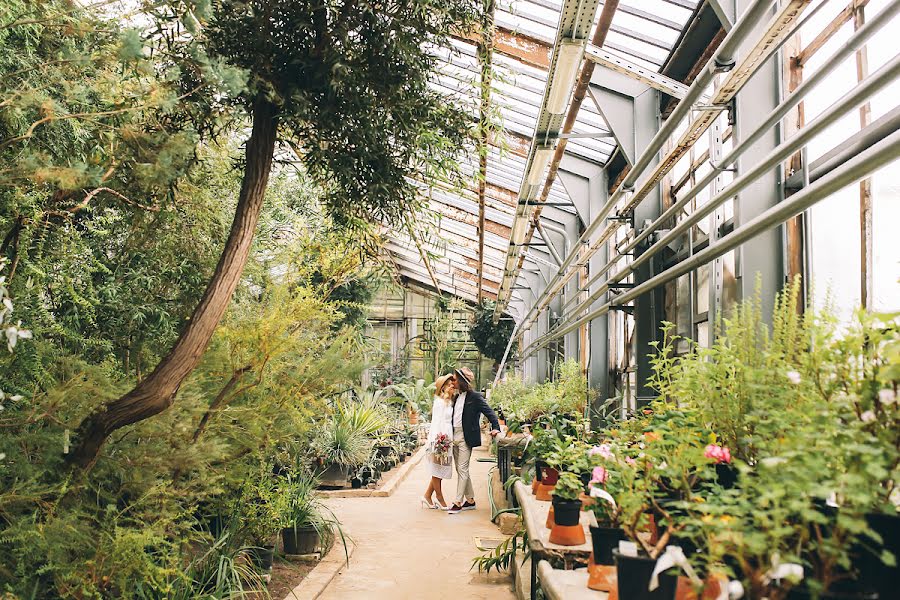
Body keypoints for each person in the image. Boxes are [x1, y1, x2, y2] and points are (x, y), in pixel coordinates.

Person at [447, 367, 501, 515]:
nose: (453, 381)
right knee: (460, 469)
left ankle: (457, 502)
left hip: (466, 437)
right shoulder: (457, 397)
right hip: (454, 436)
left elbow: (489, 412)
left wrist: (496, 427)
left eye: (455, 378)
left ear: (462, 381)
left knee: (463, 469)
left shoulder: (475, 397)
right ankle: (470, 500)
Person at [421, 373, 456, 509]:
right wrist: (439, 442)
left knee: (440, 469)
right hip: (440, 439)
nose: (452, 386)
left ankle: (427, 495)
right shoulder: (439, 403)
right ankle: (439, 498)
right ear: (443, 388)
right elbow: (437, 422)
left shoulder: (449, 402)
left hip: (447, 438)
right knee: (437, 469)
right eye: (449, 385)